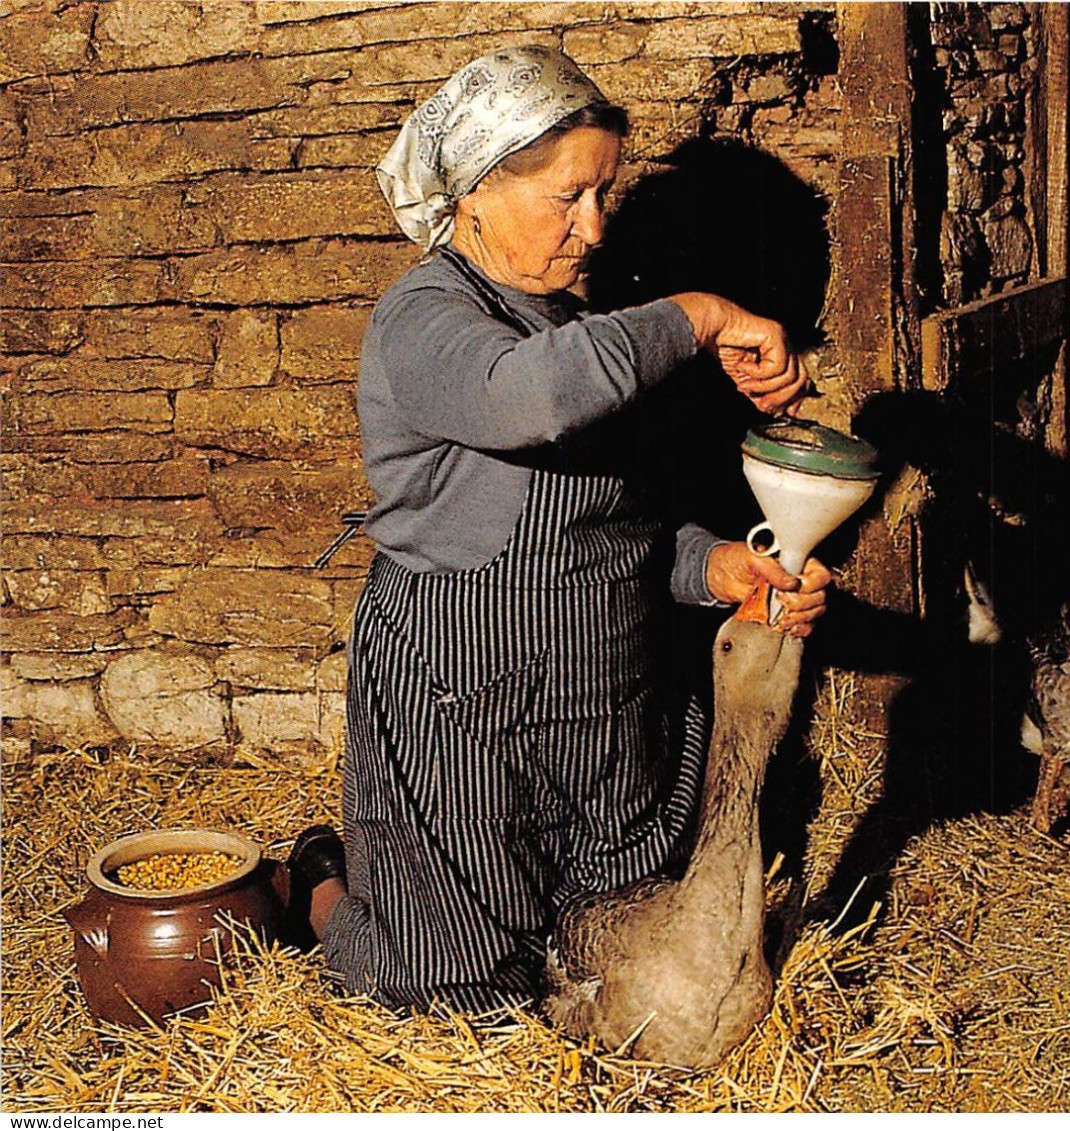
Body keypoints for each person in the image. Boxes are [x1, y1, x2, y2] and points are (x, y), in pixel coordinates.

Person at [286, 45, 831, 1014]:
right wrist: (699, 315)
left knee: (601, 957)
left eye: (603, 196)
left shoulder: (580, 334)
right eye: (567, 196)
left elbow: (624, 534)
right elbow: (524, 402)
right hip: (465, 712)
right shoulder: (422, 320)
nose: (592, 228)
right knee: (448, 985)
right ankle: (319, 887)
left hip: (598, 718)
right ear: (480, 194)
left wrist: (723, 570)